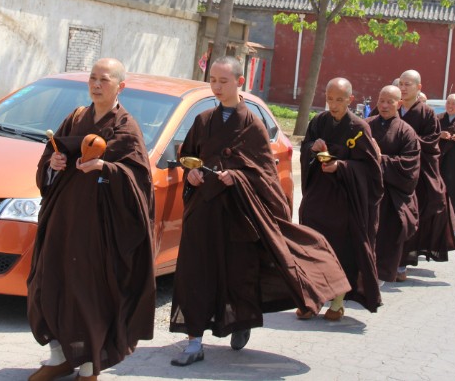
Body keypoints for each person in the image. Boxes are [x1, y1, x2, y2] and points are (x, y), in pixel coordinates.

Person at [170, 58, 350, 363]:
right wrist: (192, 173)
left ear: (240, 82)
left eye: (223, 81)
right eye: (213, 80)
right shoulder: (203, 120)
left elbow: (264, 171)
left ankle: (240, 322)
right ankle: (194, 341)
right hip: (204, 212)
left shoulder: (251, 123)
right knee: (195, 273)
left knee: (238, 273)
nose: (217, 86)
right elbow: (188, 156)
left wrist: (237, 176)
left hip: (238, 214)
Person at [28, 58, 155, 381]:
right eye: (93, 78)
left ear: (120, 87)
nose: (97, 85)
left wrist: (106, 168)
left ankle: (88, 365)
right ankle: (59, 356)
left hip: (99, 229)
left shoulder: (126, 127)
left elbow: (138, 179)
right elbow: (52, 154)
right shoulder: (75, 119)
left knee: (89, 294)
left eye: (105, 80)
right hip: (63, 220)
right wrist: (54, 163)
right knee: (49, 284)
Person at [299, 77, 382, 320]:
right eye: (329, 99)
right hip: (318, 194)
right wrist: (313, 147)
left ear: (350, 100)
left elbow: (370, 168)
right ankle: (310, 299)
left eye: (339, 100)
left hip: (344, 199)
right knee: (310, 245)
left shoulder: (358, 127)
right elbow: (305, 148)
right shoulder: (319, 121)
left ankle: (337, 302)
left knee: (339, 249)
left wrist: (342, 167)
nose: (333, 105)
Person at [396, 71, 455, 271]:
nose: (403, 87)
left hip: (415, 173)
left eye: (408, 84)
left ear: (419, 87)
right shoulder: (391, 107)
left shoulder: (426, 113)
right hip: (390, 169)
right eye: (401, 83)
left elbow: (431, 143)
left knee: (411, 215)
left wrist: (407, 140)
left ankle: (402, 262)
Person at [367, 85, 421, 283]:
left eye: (390, 101)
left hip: (390, 198)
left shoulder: (407, 132)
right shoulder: (366, 125)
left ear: (399, 104)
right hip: (366, 192)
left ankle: (377, 280)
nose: (384, 105)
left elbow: (410, 166)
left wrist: (382, 160)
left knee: (385, 239)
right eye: (381, 100)